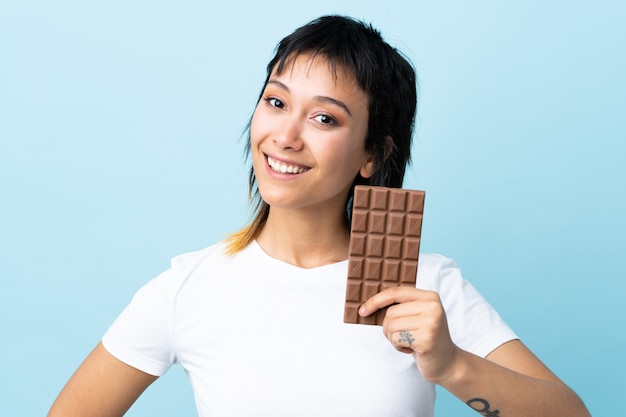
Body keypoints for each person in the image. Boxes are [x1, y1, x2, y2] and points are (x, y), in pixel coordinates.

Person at [48, 15, 591, 417]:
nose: (285, 136)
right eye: (277, 102)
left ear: (372, 154)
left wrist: (452, 365)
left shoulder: (424, 288)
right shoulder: (188, 287)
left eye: (325, 118)